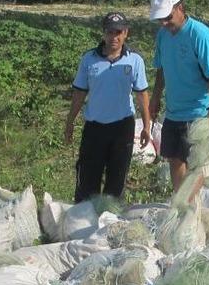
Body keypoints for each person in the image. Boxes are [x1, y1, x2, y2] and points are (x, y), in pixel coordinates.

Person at [65, 12, 151, 202]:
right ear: (103, 34)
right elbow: (79, 93)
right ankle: (83, 222)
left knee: (116, 181)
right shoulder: (89, 59)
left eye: (119, 32)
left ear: (126, 33)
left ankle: (110, 222)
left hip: (122, 127)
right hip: (95, 127)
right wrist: (70, 122)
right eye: (110, 32)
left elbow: (142, 94)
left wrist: (146, 126)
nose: (115, 37)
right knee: (87, 180)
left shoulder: (135, 60)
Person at [148, 0, 209, 192]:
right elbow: (161, 69)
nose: (164, 23)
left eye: (167, 17)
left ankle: (191, 206)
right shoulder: (163, 36)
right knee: (174, 158)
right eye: (160, 19)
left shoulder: (200, 34)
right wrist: (155, 98)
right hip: (175, 109)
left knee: (195, 163)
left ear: (180, 8)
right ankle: (179, 201)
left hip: (199, 110)